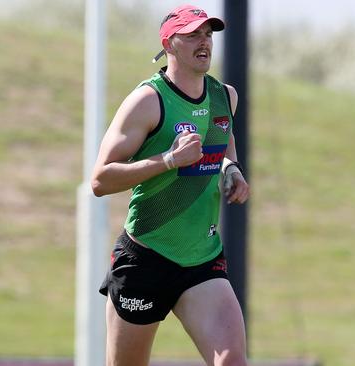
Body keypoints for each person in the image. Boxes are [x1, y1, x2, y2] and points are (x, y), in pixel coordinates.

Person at [91, 5, 249, 366]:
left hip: (202, 259)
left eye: (208, 33)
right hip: (145, 258)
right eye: (192, 34)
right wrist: (168, 160)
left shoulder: (225, 97)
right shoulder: (148, 101)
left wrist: (232, 171)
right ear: (169, 44)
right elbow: (100, 179)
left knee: (232, 361)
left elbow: (222, 144)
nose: (204, 41)